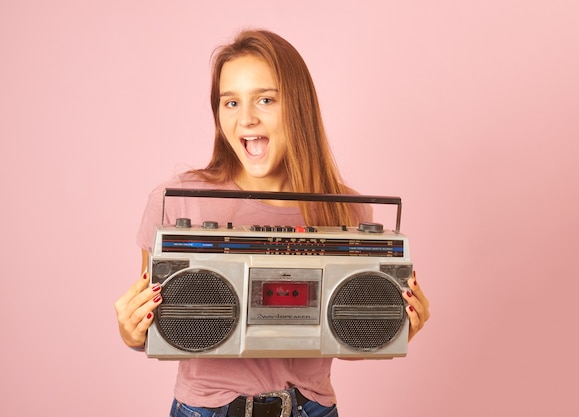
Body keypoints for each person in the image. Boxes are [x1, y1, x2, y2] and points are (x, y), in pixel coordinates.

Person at [114, 29, 430, 417]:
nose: (246, 118)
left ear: (298, 107)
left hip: (308, 408)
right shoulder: (179, 200)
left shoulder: (346, 213)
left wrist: (391, 325)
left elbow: (340, 337)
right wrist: (133, 331)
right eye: (230, 102)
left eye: (265, 99)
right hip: (207, 409)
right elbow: (155, 326)